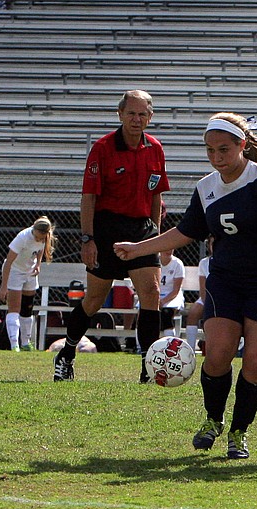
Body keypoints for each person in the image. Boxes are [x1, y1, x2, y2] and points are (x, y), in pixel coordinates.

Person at [114, 112, 257, 459]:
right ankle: (213, 419)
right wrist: (137, 248)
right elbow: (187, 231)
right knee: (217, 355)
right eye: (210, 151)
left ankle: (239, 432)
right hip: (226, 280)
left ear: (242, 146)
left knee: (255, 363)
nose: (217, 158)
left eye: (224, 149)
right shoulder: (206, 188)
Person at [52, 89, 169, 383]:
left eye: (143, 114)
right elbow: (88, 196)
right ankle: (66, 353)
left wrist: (156, 238)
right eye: (131, 113)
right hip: (107, 230)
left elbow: (156, 197)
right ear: (120, 114)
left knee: (151, 294)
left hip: (142, 229)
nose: (137, 119)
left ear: (150, 117)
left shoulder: (155, 148)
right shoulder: (103, 148)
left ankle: (148, 365)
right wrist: (87, 238)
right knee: (94, 298)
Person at [0, 216, 56, 352]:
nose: (38, 240)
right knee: (15, 308)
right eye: (37, 237)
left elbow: (40, 250)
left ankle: (26, 343)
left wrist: (38, 265)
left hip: (29, 272)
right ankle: (14, 344)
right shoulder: (22, 238)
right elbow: (8, 263)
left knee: (27, 308)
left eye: (41, 238)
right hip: (15, 272)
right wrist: (4, 286)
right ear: (33, 230)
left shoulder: (45, 237)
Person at [185, 235, 213, 352]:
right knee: (194, 312)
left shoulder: (229, 260)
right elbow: (203, 290)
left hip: (224, 298)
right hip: (207, 298)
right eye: (212, 244)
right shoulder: (204, 263)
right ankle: (190, 350)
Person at [158, 249, 185, 338]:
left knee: (166, 313)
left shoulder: (178, 264)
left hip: (172, 296)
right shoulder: (153, 262)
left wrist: (162, 302)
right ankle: (140, 347)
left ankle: (169, 344)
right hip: (156, 294)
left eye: (171, 247)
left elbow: (175, 290)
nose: (169, 250)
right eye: (165, 247)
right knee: (144, 314)